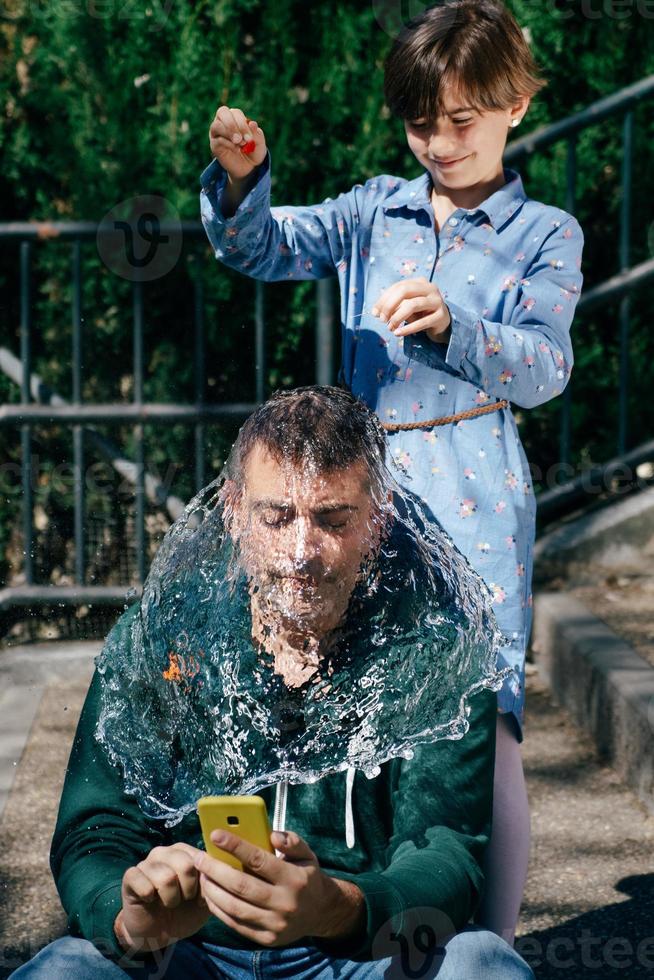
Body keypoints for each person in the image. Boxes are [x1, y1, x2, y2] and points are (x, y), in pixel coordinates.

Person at [198, 0, 585, 945]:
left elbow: (546, 370)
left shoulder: (547, 233)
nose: (442, 143)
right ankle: (372, 930)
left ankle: (485, 948)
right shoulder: (374, 209)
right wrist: (241, 181)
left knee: (486, 731)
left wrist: (457, 326)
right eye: (422, 123)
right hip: (359, 501)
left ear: (517, 105)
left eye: (463, 120)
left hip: (480, 500)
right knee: (355, 701)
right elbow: (262, 247)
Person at [10, 386, 534, 979]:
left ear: (378, 521)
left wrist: (337, 907)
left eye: (333, 519)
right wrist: (127, 919)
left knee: (482, 964)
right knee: (64, 969)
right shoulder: (169, 632)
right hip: (185, 956)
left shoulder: (435, 644)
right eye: (276, 517)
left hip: (358, 960)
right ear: (235, 511)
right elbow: (96, 825)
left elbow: (447, 849)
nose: (300, 553)